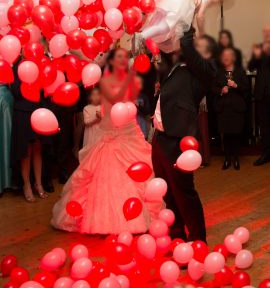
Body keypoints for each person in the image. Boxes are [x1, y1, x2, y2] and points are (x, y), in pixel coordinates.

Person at [51, 47, 160, 234]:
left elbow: (108, 114)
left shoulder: (110, 84)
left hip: (120, 136)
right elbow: (117, 114)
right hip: (121, 137)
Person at [152, 26, 216, 242]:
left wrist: (187, 23)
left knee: (184, 194)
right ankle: (177, 236)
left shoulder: (203, 71)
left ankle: (198, 240)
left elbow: (187, 45)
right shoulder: (175, 67)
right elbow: (164, 48)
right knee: (169, 195)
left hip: (178, 141)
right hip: (161, 138)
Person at [141, 0, 222, 53]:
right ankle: (142, 36)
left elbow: (191, 14)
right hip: (180, 6)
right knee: (165, 26)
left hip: (177, 0)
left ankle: (142, 35)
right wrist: (202, 34)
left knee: (161, 22)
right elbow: (200, 17)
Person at [10, 63, 48, 202]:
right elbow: (16, 92)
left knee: (38, 148)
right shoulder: (15, 69)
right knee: (26, 151)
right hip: (22, 113)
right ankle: (27, 186)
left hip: (38, 111)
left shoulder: (39, 65)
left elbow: (44, 89)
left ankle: (39, 184)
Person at [214, 48, 249, 170]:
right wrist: (221, 91)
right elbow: (213, 88)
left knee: (235, 134)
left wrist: (236, 85)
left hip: (236, 109)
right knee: (226, 135)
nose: (225, 57)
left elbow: (246, 88)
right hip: (223, 109)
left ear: (233, 58)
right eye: (223, 55)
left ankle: (236, 159)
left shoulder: (240, 71)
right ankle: (227, 159)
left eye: (228, 55)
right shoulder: (218, 72)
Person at [248, 39, 270, 166]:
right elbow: (251, 67)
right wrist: (256, 57)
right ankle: (266, 154)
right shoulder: (260, 48)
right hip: (261, 94)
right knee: (264, 126)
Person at [0, 83, 14, 195]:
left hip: (5, 95)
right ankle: (7, 180)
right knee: (6, 136)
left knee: (6, 135)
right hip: (6, 95)